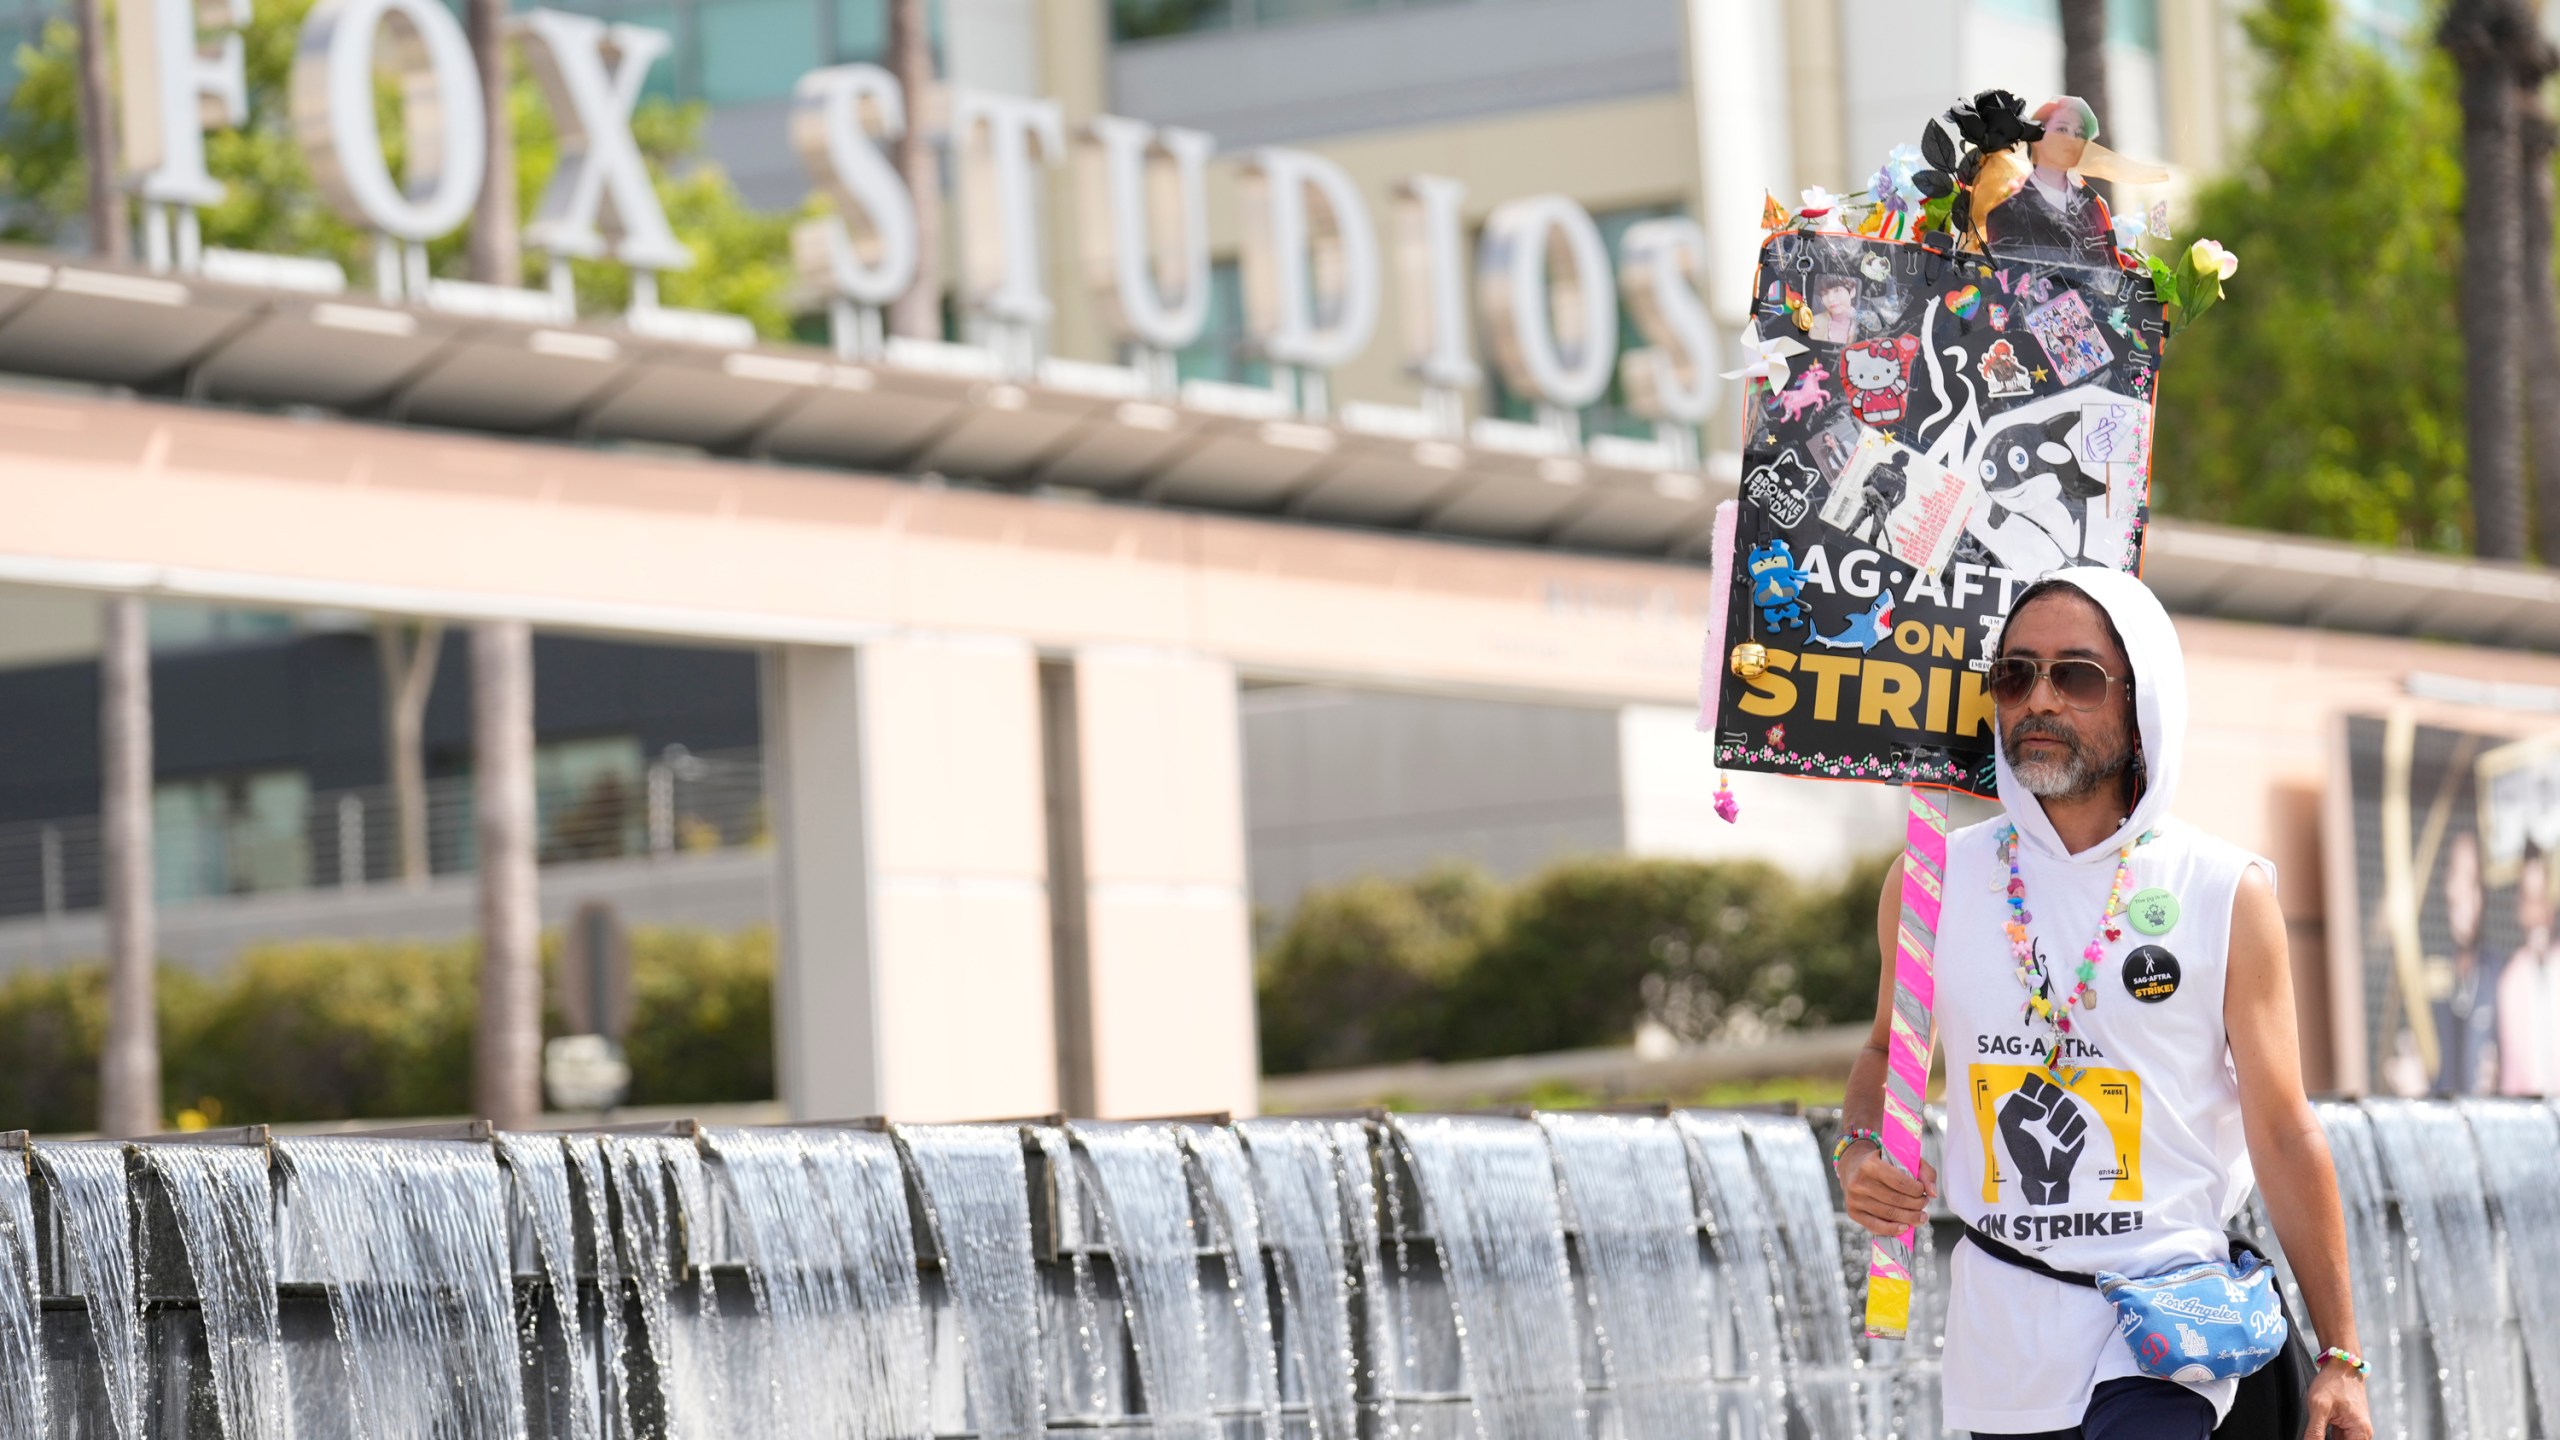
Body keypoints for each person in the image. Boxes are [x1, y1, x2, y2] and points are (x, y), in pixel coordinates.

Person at [1836, 569, 2370, 1440]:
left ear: (2140, 702)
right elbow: (1882, 1054)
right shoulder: (1932, 881)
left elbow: (2283, 1130)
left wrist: (2342, 1355)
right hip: (2005, 1332)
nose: (2038, 699)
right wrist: (1859, 1154)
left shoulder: (2223, 889)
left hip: (2172, 1329)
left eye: (2074, 675)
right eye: (2014, 675)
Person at [1984, 96, 2118, 268]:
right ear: (2037, 137)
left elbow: (2112, 275)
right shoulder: (2006, 214)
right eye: (2062, 129)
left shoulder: (2096, 208)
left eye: (2079, 133)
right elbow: (2007, 284)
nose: (2072, 139)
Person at [2429, 830, 2497, 1094]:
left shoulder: (2497, 975)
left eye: (2475, 882)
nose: (2466, 896)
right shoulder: (2427, 974)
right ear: (2446, 883)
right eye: (2459, 877)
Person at [2497, 843, 2555, 1095]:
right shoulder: (2510, 983)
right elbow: (2511, 1076)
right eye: (2530, 900)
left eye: (2543, 898)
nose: (2538, 913)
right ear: (2519, 909)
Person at [1810, 273, 1864, 343]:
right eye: (1824, 294)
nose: (1830, 299)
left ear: (1852, 291)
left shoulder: (1865, 323)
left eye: (1837, 291)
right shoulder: (1813, 322)